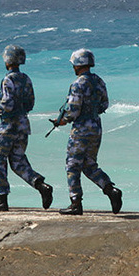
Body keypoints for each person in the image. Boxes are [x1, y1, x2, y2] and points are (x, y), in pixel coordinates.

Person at [47, 48, 122, 215]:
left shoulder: (77, 84)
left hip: (81, 129)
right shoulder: (99, 81)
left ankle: (75, 203)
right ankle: (111, 190)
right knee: (89, 164)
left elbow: (73, 111)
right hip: (96, 126)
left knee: (72, 165)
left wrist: (62, 120)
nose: (73, 67)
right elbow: (104, 104)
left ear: (79, 65)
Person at [0, 45, 52, 211]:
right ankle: (41, 186)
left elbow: (6, 103)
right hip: (23, 126)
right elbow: (30, 103)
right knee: (18, 162)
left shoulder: (8, 80)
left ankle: (2, 199)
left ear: (7, 60)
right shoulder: (26, 79)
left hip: (8, 127)